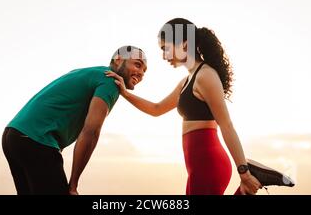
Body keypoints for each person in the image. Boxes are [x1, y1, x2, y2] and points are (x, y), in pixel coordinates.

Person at [106, 18, 262, 195]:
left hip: (209, 164)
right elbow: (156, 109)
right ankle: (244, 191)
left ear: (185, 44)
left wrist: (243, 171)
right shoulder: (186, 81)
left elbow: (226, 125)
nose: (164, 56)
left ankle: (247, 184)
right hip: (197, 167)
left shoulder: (206, 76)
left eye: (166, 48)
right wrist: (125, 93)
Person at [2, 45, 147, 195]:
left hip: (13, 136)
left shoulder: (91, 72)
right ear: (118, 59)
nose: (141, 73)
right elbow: (91, 131)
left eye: (144, 70)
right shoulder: (110, 81)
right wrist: (73, 185)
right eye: (137, 64)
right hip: (36, 139)